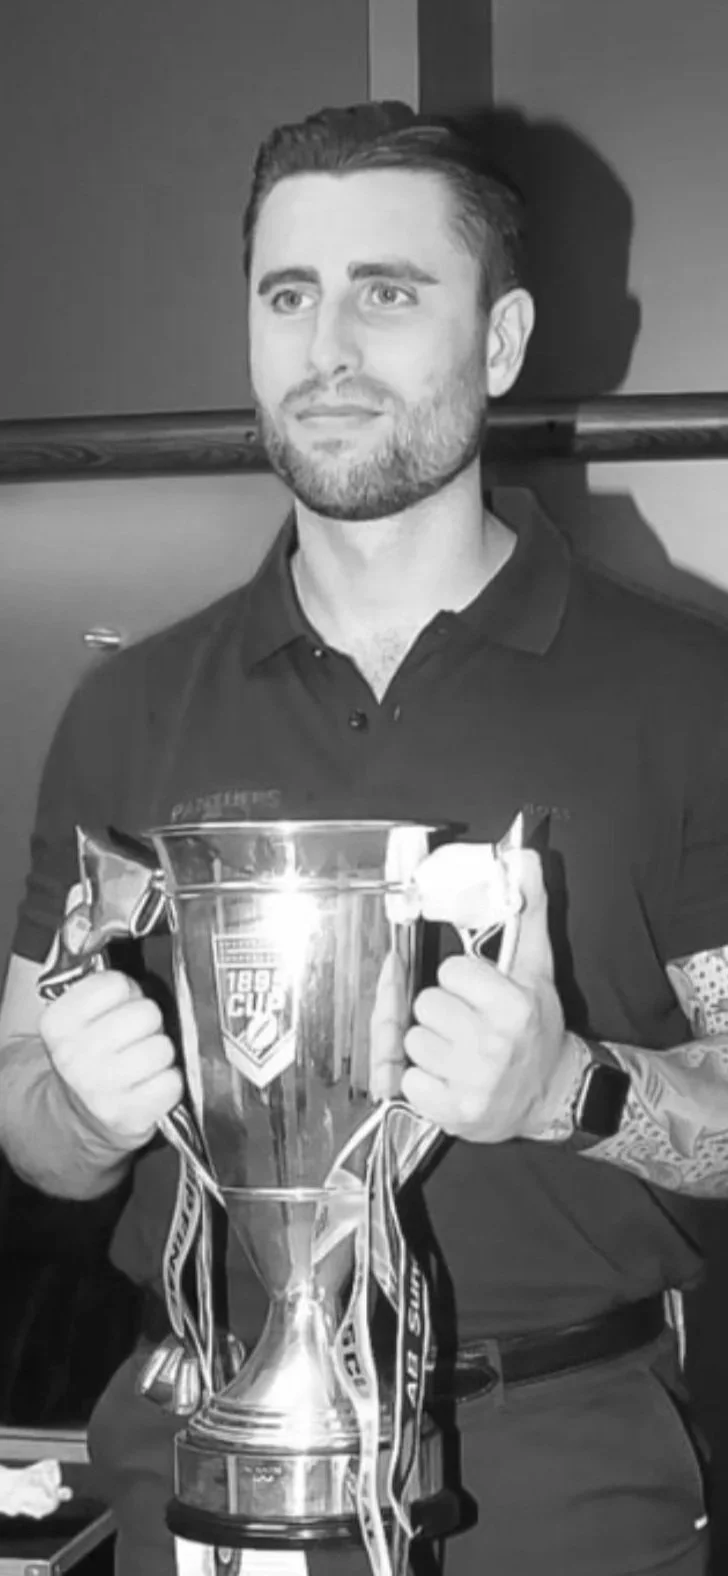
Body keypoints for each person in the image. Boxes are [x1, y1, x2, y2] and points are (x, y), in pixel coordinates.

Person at [1, 99, 727, 1576]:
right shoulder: (128, 709)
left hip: (559, 1485)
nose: (328, 349)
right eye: (289, 296)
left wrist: (571, 1089)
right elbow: (23, 1112)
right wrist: (81, 1112)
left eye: (388, 293)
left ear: (502, 341)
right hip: (196, 1466)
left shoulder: (684, 692)